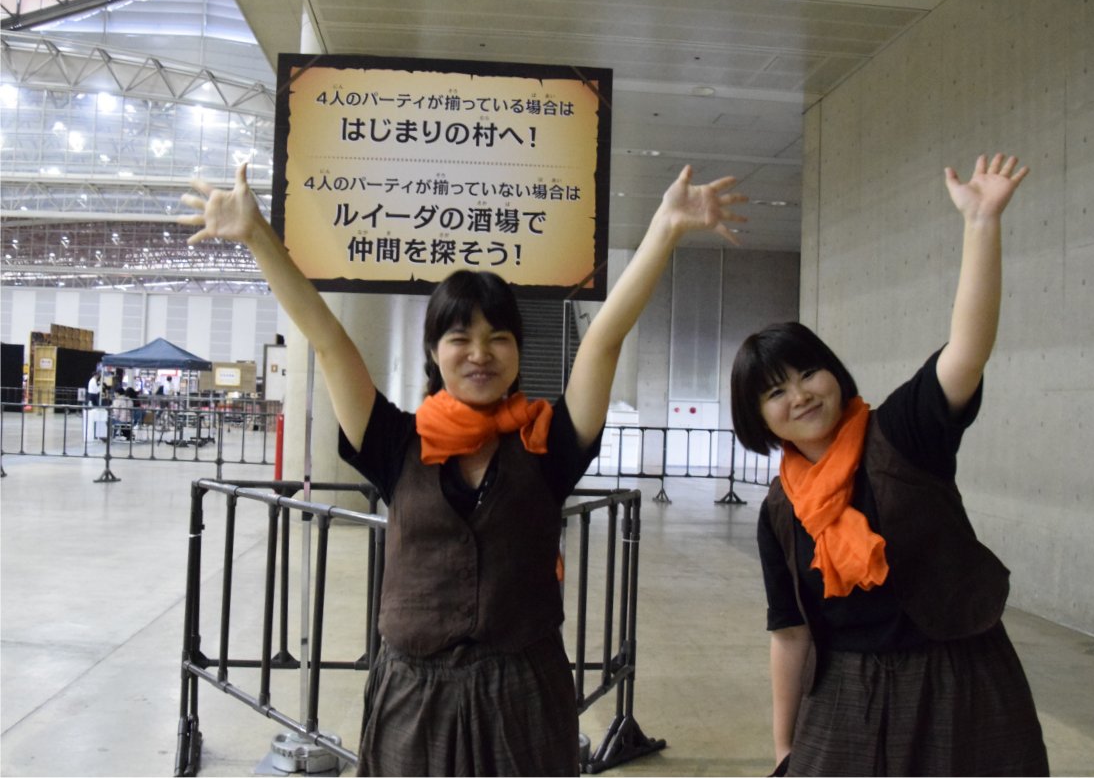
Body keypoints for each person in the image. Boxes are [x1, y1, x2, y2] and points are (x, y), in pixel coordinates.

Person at [180, 162, 746, 776]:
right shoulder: (394, 441)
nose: (480, 353)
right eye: (459, 337)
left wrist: (665, 227)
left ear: (518, 350)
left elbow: (604, 339)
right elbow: (328, 340)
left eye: (499, 337)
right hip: (412, 693)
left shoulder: (548, 443)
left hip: (524, 693)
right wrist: (257, 235)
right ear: (434, 351)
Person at [731, 153, 1048, 777]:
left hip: (959, 678)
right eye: (775, 392)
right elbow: (790, 632)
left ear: (833, 372)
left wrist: (982, 224)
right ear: (758, 419)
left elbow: (967, 352)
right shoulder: (781, 510)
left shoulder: (901, 433)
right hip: (843, 695)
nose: (800, 395)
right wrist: (783, 745)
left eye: (808, 373)